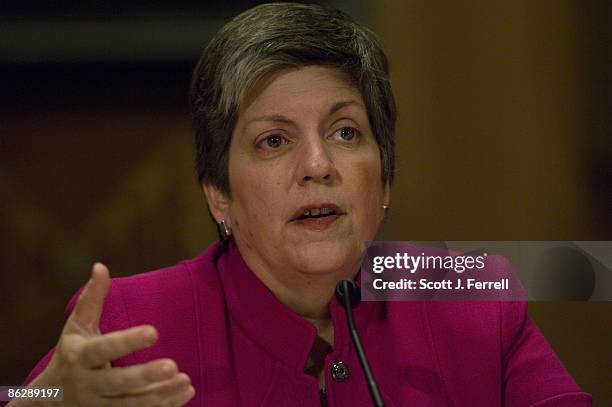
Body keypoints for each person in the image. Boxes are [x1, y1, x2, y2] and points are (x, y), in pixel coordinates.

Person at [8, 3, 591, 406]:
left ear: (383, 181)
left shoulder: (470, 294)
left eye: (345, 133)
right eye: (274, 141)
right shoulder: (129, 321)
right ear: (219, 196)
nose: (318, 165)